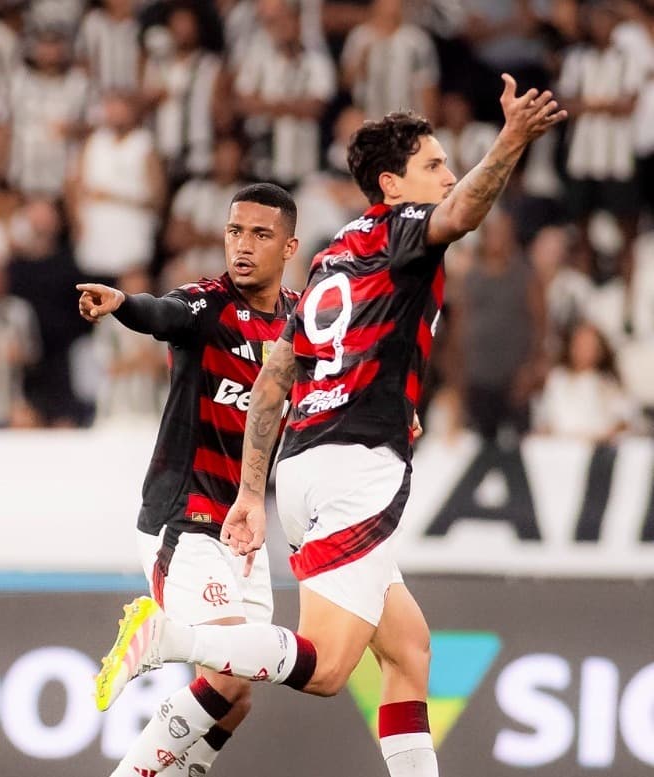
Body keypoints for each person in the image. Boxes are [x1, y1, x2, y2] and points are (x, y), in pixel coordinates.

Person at [94, 74, 566, 777]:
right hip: (356, 466)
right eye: (433, 165)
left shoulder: (329, 255)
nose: (445, 176)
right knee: (326, 667)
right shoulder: (406, 231)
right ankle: (169, 637)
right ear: (391, 185)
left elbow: (275, 377)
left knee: (407, 650)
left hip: (305, 462)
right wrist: (513, 139)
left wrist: (253, 492)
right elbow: (464, 211)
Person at [76, 182, 300, 777]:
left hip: (245, 533)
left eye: (260, 234)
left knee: (234, 695)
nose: (243, 246)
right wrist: (123, 303)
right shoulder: (208, 305)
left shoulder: (300, 324)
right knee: (228, 671)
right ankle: (156, 636)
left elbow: (341, 377)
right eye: (234, 232)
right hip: (187, 519)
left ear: (290, 247)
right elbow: (162, 313)